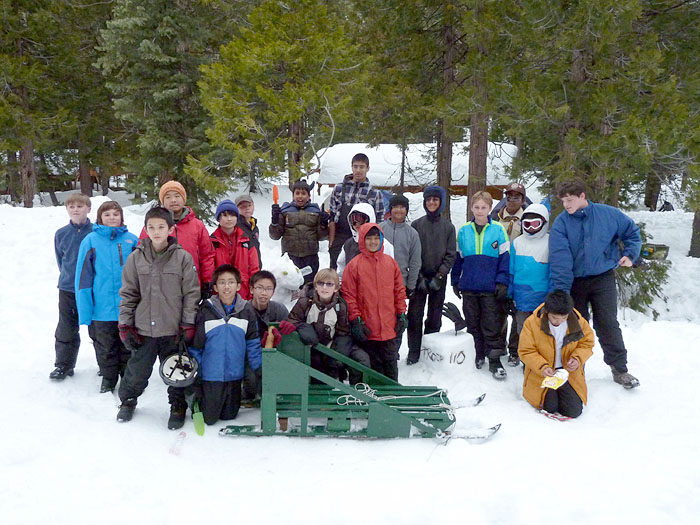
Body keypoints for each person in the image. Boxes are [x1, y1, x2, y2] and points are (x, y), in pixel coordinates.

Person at [549, 178, 642, 389]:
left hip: (603, 277)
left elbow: (632, 232)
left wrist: (630, 255)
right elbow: (560, 259)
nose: (566, 205)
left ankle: (620, 369)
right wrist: (563, 292)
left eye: (570, 200)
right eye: (563, 201)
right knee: (575, 326)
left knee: (607, 323)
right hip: (575, 282)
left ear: (582, 196)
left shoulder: (608, 215)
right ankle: (574, 369)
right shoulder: (561, 223)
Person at [116, 206, 200, 429]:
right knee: (137, 369)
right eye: (151, 227)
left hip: (173, 329)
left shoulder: (182, 258)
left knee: (176, 368)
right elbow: (128, 293)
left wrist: (188, 323)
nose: (156, 231)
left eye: (161, 227)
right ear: (145, 229)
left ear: (170, 229)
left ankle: (178, 405)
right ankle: (128, 400)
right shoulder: (136, 258)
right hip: (144, 328)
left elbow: (191, 293)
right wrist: (125, 324)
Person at [75, 201, 138, 392]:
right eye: (107, 214)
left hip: (127, 307)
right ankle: (109, 378)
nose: (112, 218)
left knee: (128, 345)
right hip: (101, 309)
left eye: (115, 214)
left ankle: (128, 378)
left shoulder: (132, 240)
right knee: (105, 347)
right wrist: (85, 310)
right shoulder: (90, 241)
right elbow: (83, 278)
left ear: (121, 217)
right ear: (100, 217)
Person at [188, 264, 262, 425]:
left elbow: (253, 343)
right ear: (215, 287)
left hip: (235, 375)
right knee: (209, 419)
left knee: (229, 416)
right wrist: (196, 372)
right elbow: (197, 345)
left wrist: (259, 368)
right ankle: (195, 399)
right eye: (222, 282)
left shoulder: (246, 311)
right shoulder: (206, 310)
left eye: (231, 282)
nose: (226, 287)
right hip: (211, 375)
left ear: (238, 286)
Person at [451, 191, 510, 380]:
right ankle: (477, 354)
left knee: (491, 324)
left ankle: (494, 359)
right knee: (473, 323)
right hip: (469, 286)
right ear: (471, 208)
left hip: (490, 287)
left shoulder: (498, 230)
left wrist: (502, 281)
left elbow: (505, 259)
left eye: (484, 207)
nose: (479, 211)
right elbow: (458, 259)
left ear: (490, 208)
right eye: (476, 207)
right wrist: (455, 280)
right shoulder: (464, 230)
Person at [341, 224, 407, 381]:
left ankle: (392, 393)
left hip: (389, 328)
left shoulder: (390, 263)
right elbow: (349, 296)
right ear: (362, 240)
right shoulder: (354, 266)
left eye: (377, 238)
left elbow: (399, 291)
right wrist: (356, 320)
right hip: (367, 329)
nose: (373, 242)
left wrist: (401, 314)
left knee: (390, 366)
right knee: (372, 369)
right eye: (369, 238)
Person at [518, 290, 594, 418]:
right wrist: (542, 367)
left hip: (568, 372)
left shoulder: (578, 322)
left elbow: (587, 344)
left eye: (564, 318)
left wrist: (577, 359)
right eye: (555, 318)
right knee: (550, 407)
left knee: (574, 411)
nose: (559, 321)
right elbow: (526, 350)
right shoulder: (532, 323)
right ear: (547, 311)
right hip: (543, 372)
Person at [288, 268, 371, 384]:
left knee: (361, 359)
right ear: (315, 286)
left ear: (336, 288)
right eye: (320, 283)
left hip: (331, 345)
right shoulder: (305, 303)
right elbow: (292, 320)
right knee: (317, 368)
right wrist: (304, 328)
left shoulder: (340, 306)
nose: (324, 287)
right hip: (310, 347)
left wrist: (338, 352)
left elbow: (343, 332)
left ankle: (357, 390)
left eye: (329, 284)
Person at [406, 186, 456, 365]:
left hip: (438, 278)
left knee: (434, 316)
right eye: (428, 200)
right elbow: (411, 252)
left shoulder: (448, 227)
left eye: (435, 199)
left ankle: (429, 349)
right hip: (419, 277)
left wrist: (440, 275)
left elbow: (451, 254)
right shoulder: (416, 225)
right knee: (414, 315)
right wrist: (418, 276)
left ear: (441, 202)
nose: (432, 203)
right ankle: (414, 350)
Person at [139, 181, 214, 298]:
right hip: (160, 288)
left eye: (177, 196)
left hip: (191, 285)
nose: (173, 200)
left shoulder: (197, 226)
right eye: (168, 197)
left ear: (183, 199)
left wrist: (207, 281)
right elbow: (142, 255)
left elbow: (207, 256)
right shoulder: (153, 225)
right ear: (163, 201)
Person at [51, 194, 94, 380]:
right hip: (68, 288)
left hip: (92, 289)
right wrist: (69, 278)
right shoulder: (61, 234)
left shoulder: (95, 232)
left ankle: (107, 366)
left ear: (88, 209)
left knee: (100, 330)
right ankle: (64, 365)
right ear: (67, 209)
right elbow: (61, 260)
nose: (76, 209)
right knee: (66, 328)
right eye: (72, 206)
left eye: (80, 206)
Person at [492, 182, 528, 366]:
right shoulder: (495, 217)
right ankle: (499, 345)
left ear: (523, 200)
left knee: (517, 311)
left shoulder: (528, 218)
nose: (512, 200)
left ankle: (515, 349)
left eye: (516, 197)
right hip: (498, 269)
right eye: (509, 196)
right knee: (498, 309)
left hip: (520, 270)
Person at [328, 153, 385, 269]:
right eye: (355, 166)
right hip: (340, 236)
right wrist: (332, 241)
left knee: (360, 271)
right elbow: (332, 216)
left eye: (362, 167)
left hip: (362, 240)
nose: (358, 170)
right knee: (336, 271)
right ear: (352, 167)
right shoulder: (338, 189)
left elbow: (379, 220)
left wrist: (373, 242)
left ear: (368, 168)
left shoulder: (374, 193)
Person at [244, 270, 294, 402]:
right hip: (249, 356)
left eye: (268, 289)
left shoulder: (279, 309)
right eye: (259, 288)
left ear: (273, 292)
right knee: (252, 382)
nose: (264, 293)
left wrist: (287, 329)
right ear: (251, 289)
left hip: (274, 355)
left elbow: (291, 331)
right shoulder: (243, 310)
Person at [269, 179, 329, 286]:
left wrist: (324, 225)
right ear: (293, 195)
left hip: (310, 257)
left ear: (309, 196)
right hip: (290, 257)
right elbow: (275, 236)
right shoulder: (285, 211)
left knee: (308, 287)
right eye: (297, 193)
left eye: (303, 193)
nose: (300, 196)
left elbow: (322, 237)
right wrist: (274, 221)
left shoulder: (315, 211)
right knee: (290, 286)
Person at [509, 203, 551, 336]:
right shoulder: (517, 242)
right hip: (521, 298)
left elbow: (554, 272)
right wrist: (509, 294)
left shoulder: (550, 242)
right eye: (527, 224)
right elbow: (511, 271)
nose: (531, 228)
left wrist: (553, 294)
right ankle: (524, 349)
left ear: (544, 223)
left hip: (543, 298)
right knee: (523, 331)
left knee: (543, 332)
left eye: (535, 224)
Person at [210, 199, 260, 300]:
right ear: (218, 218)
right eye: (225, 215)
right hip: (219, 295)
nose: (229, 219)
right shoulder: (212, 241)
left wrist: (252, 293)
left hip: (243, 294)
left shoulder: (246, 240)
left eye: (232, 215)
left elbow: (254, 269)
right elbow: (208, 270)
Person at [379, 194, 421, 298]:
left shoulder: (412, 233)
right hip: (379, 282)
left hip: (401, 283)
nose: (399, 210)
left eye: (402, 207)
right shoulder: (379, 229)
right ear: (390, 209)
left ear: (406, 210)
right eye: (395, 207)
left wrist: (411, 285)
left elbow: (415, 262)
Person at [337, 202, 394, 278]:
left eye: (360, 220)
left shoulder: (383, 244)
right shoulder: (348, 244)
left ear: (369, 219)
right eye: (353, 220)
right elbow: (341, 269)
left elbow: (389, 271)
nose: (357, 224)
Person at [235, 194, 262, 268]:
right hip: (242, 268)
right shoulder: (235, 226)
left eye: (249, 205)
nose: (247, 208)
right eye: (242, 206)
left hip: (256, 267)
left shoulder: (254, 226)